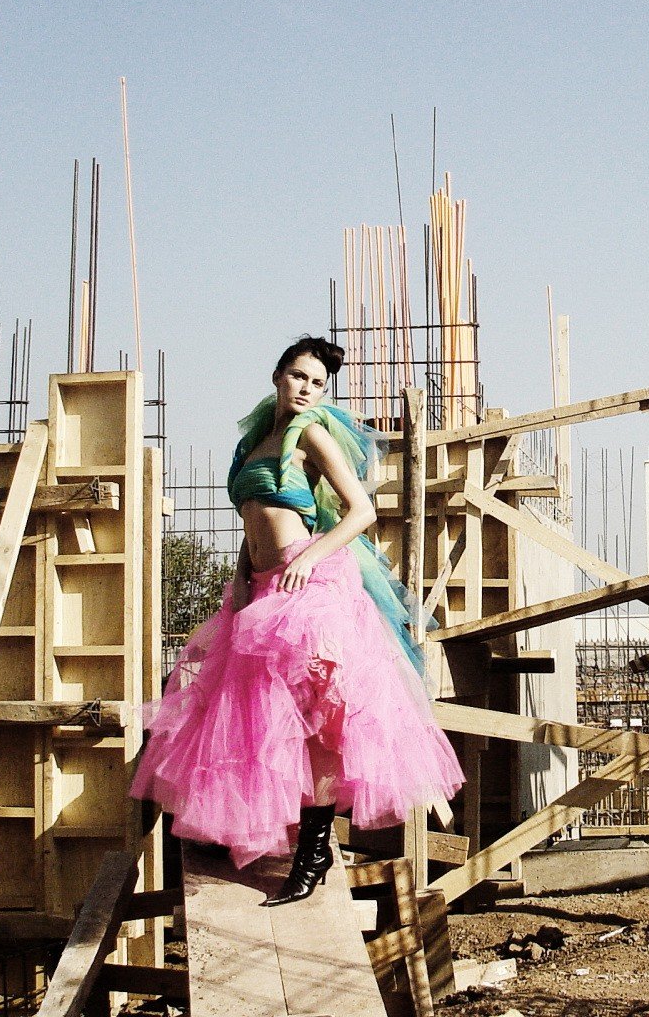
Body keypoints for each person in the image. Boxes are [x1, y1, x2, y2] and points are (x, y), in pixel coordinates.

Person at [131, 336, 464, 905]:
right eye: (299, 376)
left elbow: (363, 510)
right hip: (262, 589)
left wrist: (309, 556)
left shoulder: (311, 433)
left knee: (323, 718)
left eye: (317, 382)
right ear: (277, 376)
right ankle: (267, 839)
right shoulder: (252, 443)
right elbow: (253, 520)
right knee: (255, 717)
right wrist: (240, 577)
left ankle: (311, 855)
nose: (307, 389)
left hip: (311, 586)